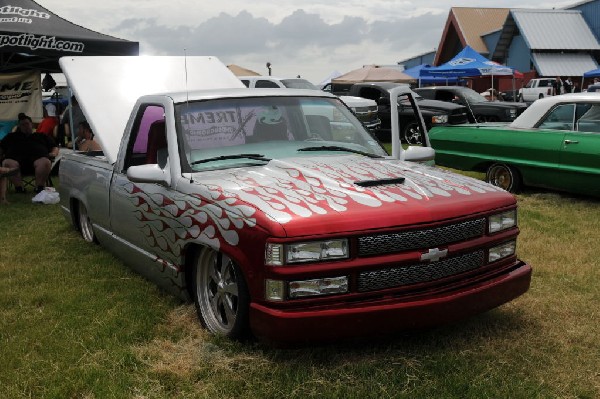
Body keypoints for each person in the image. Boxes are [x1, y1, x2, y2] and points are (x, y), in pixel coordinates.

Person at [0, 113, 59, 194]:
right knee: (7, 162)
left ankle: (39, 188)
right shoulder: (11, 136)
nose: (25, 126)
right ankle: (19, 188)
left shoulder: (41, 135)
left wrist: (53, 154)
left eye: (27, 124)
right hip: (15, 163)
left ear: (31, 124)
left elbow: (54, 147)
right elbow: (1, 148)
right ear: (19, 126)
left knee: (45, 162)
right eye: (22, 125)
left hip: (38, 161)